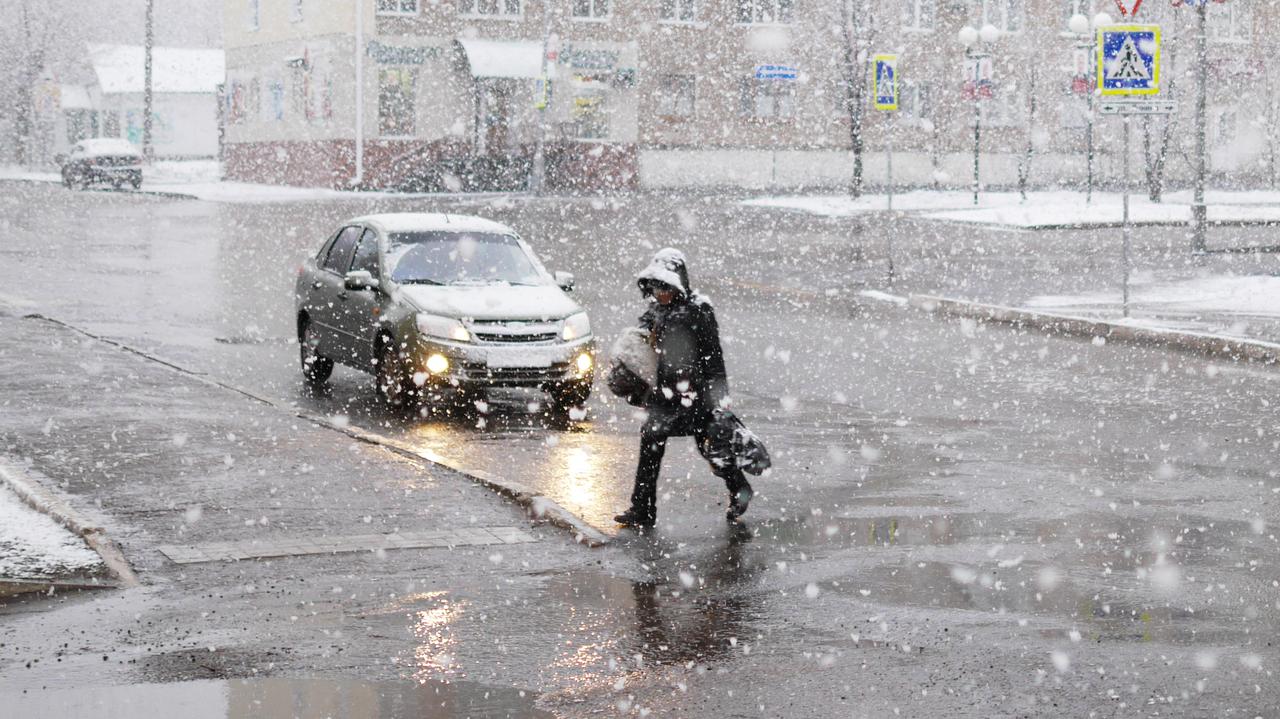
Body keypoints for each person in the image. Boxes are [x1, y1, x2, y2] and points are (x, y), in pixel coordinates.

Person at [614, 249, 753, 529]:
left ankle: (739, 488)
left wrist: (719, 400)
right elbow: (640, 344)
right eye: (654, 287)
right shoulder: (656, 311)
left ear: (677, 284)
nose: (659, 293)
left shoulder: (699, 310)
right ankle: (642, 510)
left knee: (710, 446)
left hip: (696, 396)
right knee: (650, 445)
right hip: (664, 396)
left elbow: (714, 358)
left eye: (664, 287)